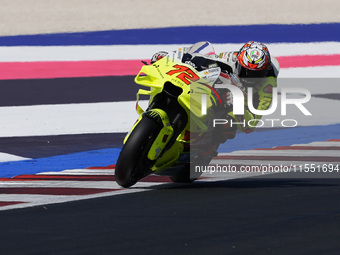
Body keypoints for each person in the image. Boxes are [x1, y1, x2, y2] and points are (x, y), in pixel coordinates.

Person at [150, 41, 280, 146]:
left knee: (227, 126)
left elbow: (250, 126)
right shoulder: (231, 57)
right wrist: (169, 58)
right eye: (245, 71)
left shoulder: (268, 88)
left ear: (266, 70)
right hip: (218, 88)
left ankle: (205, 149)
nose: (249, 77)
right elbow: (203, 58)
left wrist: (238, 105)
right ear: (238, 63)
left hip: (242, 104)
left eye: (256, 74)